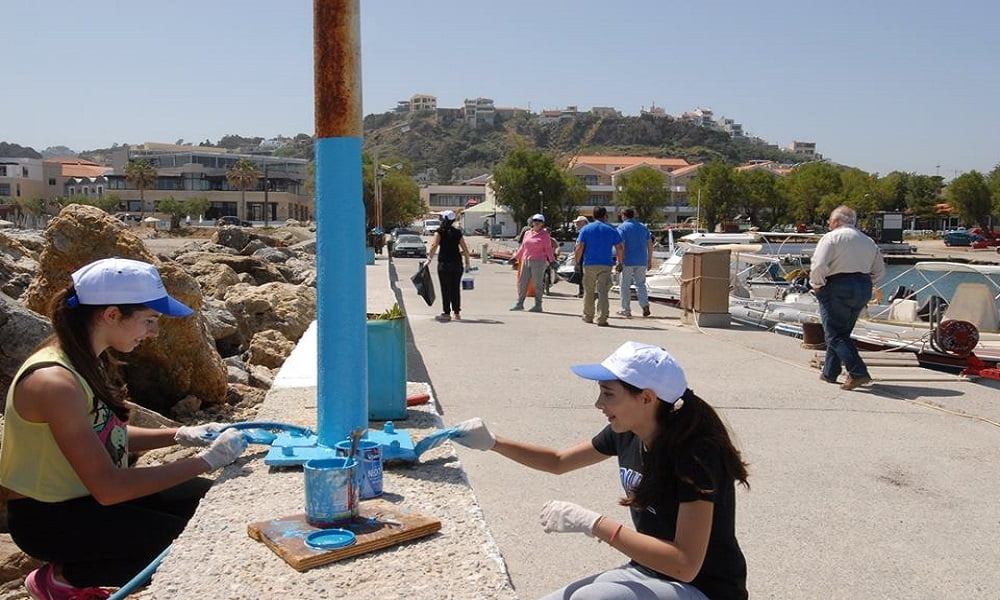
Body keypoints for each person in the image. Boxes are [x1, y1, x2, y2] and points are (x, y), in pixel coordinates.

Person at [0, 257, 248, 599]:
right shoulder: (55, 382)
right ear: (112, 314)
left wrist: (179, 435)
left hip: (85, 499)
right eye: (149, 320)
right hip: (50, 519)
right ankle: (62, 579)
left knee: (213, 504)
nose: (154, 333)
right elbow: (110, 488)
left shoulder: (86, 358)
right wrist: (207, 460)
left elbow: (104, 437)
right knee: (191, 545)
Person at [452, 341, 750, 600]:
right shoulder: (628, 432)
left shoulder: (696, 455)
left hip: (704, 589)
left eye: (608, 394)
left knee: (592, 598)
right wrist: (493, 442)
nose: (598, 403)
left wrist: (595, 524)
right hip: (649, 570)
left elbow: (685, 565)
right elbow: (558, 461)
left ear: (647, 398)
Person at [810, 205, 886, 390]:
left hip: (837, 285)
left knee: (834, 334)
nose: (828, 223)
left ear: (836, 221)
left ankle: (858, 372)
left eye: (829, 220)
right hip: (862, 286)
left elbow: (819, 265)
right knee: (842, 332)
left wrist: (817, 285)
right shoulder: (868, 241)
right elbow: (879, 271)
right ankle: (830, 372)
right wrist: (864, 282)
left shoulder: (831, 237)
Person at [574, 206, 623, 327]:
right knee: (603, 292)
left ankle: (588, 316)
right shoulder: (611, 229)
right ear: (605, 216)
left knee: (589, 291)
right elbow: (619, 247)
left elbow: (579, 247)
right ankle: (602, 318)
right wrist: (620, 262)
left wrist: (577, 261)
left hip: (589, 264)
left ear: (593, 216)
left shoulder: (586, 229)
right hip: (605, 264)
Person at [427, 210, 472, 321]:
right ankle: (457, 313)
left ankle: (447, 312)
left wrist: (429, 259)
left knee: (445, 288)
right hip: (457, 264)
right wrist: (467, 263)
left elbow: (434, 245)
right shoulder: (457, 232)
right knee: (455, 288)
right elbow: (465, 249)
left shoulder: (439, 232)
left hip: (444, 264)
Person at [510, 214, 557, 313]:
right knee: (522, 282)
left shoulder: (545, 235)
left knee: (537, 284)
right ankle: (520, 303)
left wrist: (552, 260)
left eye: (539, 221)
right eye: (535, 220)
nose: (537, 222)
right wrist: (515, 257)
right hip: (526, 260)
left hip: (539, 261)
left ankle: (538, 305)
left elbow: (548, 249)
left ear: (542, 223)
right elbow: (523, 247)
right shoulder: (527, 233)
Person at [616, 208, 654, 318]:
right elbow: (650, 244)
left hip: (627, 260)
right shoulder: (643, 227)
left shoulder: (622, 227)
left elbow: (621, 245)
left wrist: (619, 261)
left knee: (625, 285)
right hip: (642, 260)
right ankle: (645, 305)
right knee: (641, 284)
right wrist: (649, 260)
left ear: (623, 215)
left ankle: (626, 309)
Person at [571, 215, 589, 297]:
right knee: (581, 274)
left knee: (583, 274)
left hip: (583, 255)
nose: (576, 225)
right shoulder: (583, 232)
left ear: (583, 223)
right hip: (582, 255)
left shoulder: (584, 232)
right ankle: (582, 291)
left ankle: (583, 292)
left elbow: (580, 246)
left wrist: (577, 260)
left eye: (578, 223)